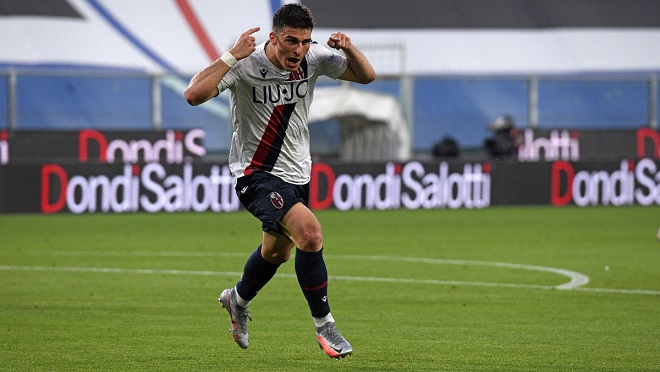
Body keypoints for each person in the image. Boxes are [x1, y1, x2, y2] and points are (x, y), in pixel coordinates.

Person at [184, 4, 375, 358]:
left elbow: (366, 76)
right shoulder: (244, 65)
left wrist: (348, 48)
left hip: (298, 173)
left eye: (304, 42)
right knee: (310, 233)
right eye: (291, 41)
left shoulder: (313, 58)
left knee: (277, 252)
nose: (298, 50)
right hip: (255, 173)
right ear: (274, 38)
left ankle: (236, 300)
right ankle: (325, 326)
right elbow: (193, 95)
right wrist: (229, 56)